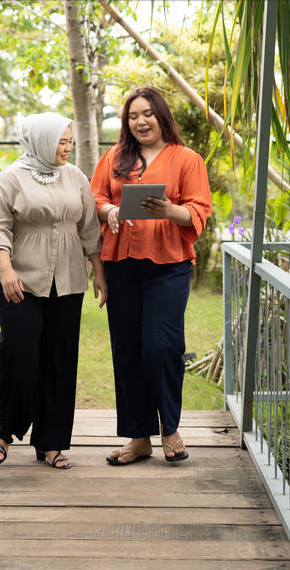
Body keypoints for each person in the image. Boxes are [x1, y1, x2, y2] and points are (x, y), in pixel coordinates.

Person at [92, 86, 212, 466]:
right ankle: (138, 437)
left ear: (161, 116)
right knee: (127, 350)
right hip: (121, 263)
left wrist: (168, 210)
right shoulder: (114, 157)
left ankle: (170, 428)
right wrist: (110, 210)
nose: (140, 122)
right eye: (132, 116)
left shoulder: (187, 159)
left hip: (168, 265)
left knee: (160, 346)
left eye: (147, 114)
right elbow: (94, 198)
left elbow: (198, 211)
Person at [0, 111, 106, 470]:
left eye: (69, 142)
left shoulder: (76, 178)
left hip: (67, 278)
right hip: (20, 278)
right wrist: (5, 271)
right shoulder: (8, 180)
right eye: (60, 142)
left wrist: (98, 272)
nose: (66, 149)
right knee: (20, 352)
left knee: (59, 359)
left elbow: (88, 228)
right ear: (40, 142)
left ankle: (50, 443)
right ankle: (6, 430)